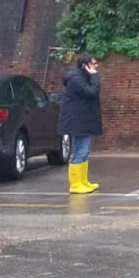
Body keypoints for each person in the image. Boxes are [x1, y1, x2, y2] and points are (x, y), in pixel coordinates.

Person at [59, 53, 102, 195]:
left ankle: (83, 180)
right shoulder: (76, 80)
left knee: (85, 151)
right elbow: (92, 92)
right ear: (85, 65)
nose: (96, 66)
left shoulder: (83, 77)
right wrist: (95, 76)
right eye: (94, 63)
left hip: (84, 120)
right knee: (80, 151)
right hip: (78, 121)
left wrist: (92, 76)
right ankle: (75, 184)